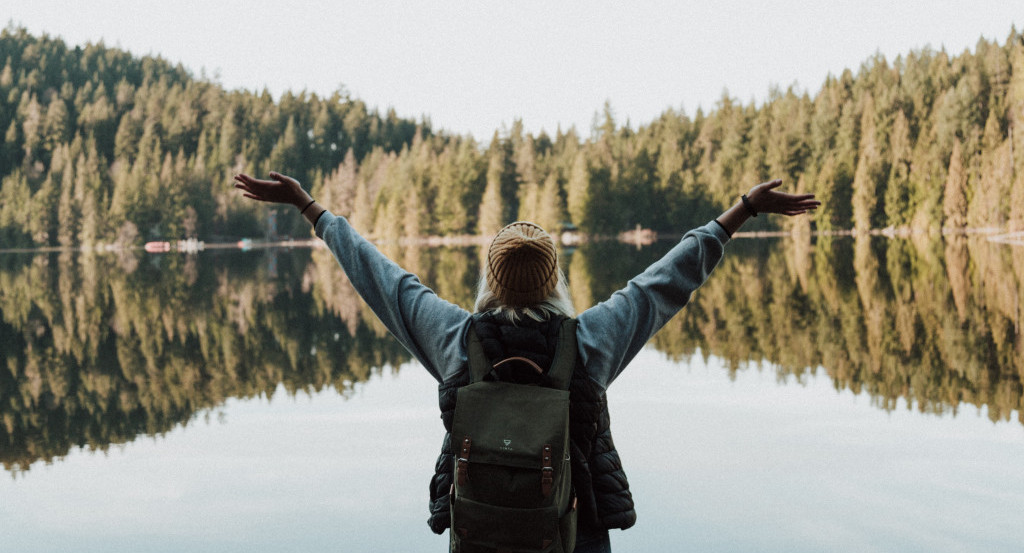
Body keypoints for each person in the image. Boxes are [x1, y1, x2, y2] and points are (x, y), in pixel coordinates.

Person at [234, 171, 819, 552]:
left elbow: (380, 278)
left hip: (482, 532)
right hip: (572, 536)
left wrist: (309, 208)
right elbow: (667, 280)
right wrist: (743, 209)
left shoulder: (457, 341)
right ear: (554, 280)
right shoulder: (591, 341)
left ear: (489, 280)